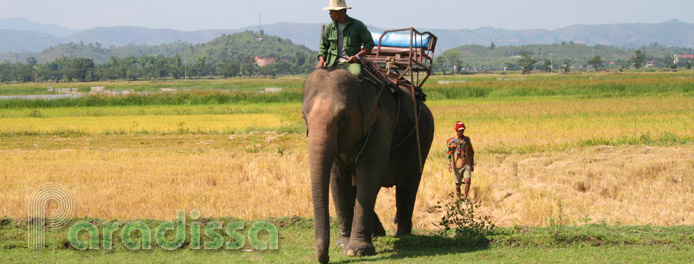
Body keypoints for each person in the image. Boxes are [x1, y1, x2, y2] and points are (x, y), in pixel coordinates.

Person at [315, 0, 375, 78]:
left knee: (356, 74)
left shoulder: (358, 25)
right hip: (332, 63)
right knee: (317, 78)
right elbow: (323, 47)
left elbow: (369, 43)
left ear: (342, 11)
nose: (330, 13)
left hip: (352, 64)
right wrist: (321, 60)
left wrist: (357, 56)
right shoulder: (329, 28)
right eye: (330, 11)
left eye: (333, 11)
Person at [446, 121, 475, 200]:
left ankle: (465, 198)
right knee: (458, 184)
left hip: (466, 164)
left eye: (462, 130)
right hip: (457, 166)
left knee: (467, 181)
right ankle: (459, 199)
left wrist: (471, 164)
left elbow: (471, 152)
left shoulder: (467, 140)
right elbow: (448, 153)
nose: (461, 132)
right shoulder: (451, 142)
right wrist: (449, 164)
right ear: (456, 130)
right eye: (459, 130)